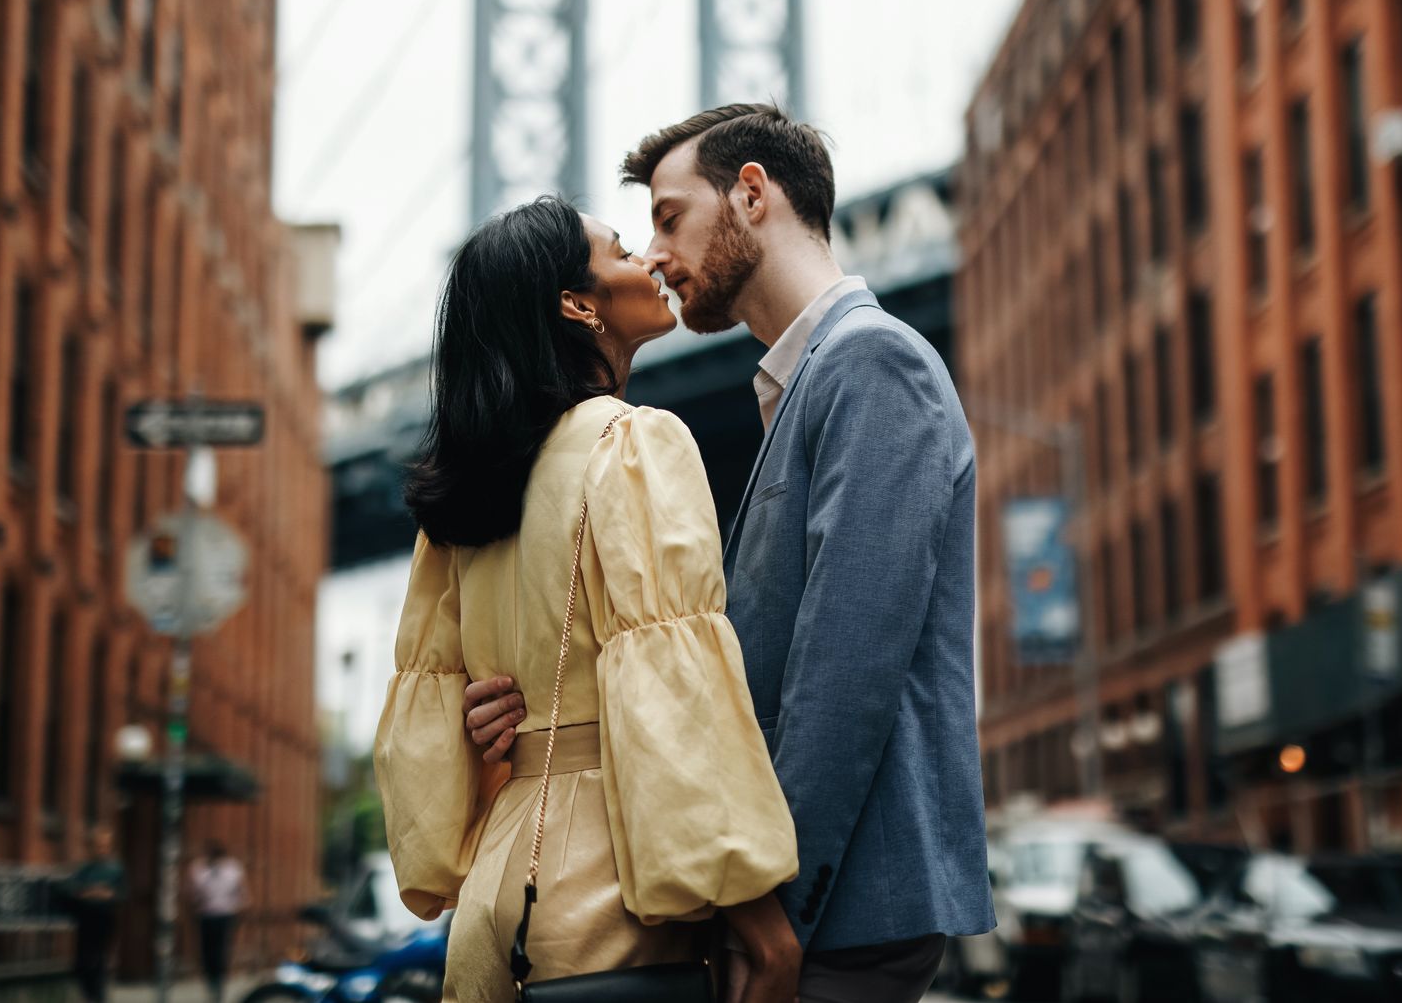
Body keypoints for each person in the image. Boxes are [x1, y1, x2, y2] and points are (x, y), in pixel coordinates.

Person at [466, 105, 994, 1002]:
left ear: (752, 194)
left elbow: (845, 674)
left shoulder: (872, 364)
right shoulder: (801, 385)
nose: (657, 255)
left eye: (670, 217)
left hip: (837, 911)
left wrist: (773, 909)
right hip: (798, 912)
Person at [372, 196, 801, 1003]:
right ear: (577, 303)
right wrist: (760, 922)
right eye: (617, 248)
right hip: (608, 902)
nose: (647, 256)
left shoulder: (465, 502)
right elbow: (675, 690)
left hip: (496, 899)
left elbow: (426, 734)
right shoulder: (633, 445)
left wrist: (495, 755)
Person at [59, 827, 124, 1003]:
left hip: (103, 919)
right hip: (85, 919)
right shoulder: (85, 870)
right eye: (98, 845)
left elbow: (119, 893)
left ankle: (98, 996)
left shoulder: (115, 869)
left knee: (98, 961)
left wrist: (101, 893)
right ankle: (90, 995)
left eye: (105, 846)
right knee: (81, 963)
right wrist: (93, 892)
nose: (101, 849)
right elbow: (71, 889)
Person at [186, 841, 246, 1003]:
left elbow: (240, 890)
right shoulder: (199, 869)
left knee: (221, 951)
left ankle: (219, 984)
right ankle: (211, 982)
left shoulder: (233, 869)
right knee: (207, 952)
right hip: (206, 914)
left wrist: (239, 905)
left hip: (225, 914)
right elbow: (193, 892)